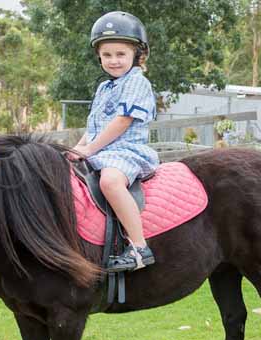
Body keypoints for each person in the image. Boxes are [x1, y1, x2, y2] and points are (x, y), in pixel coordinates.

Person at [72, 11, 159, 272]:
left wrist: (89, 150)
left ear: (136, 55)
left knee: (110, 181)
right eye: (107, 55)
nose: (113, 61)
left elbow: (122, 121)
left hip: (126, 151)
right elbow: (93, 126)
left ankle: (139, 248)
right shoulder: (104, 88)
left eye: (120, 54)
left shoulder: (137, 82)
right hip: (101, 150)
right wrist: (76, 148)